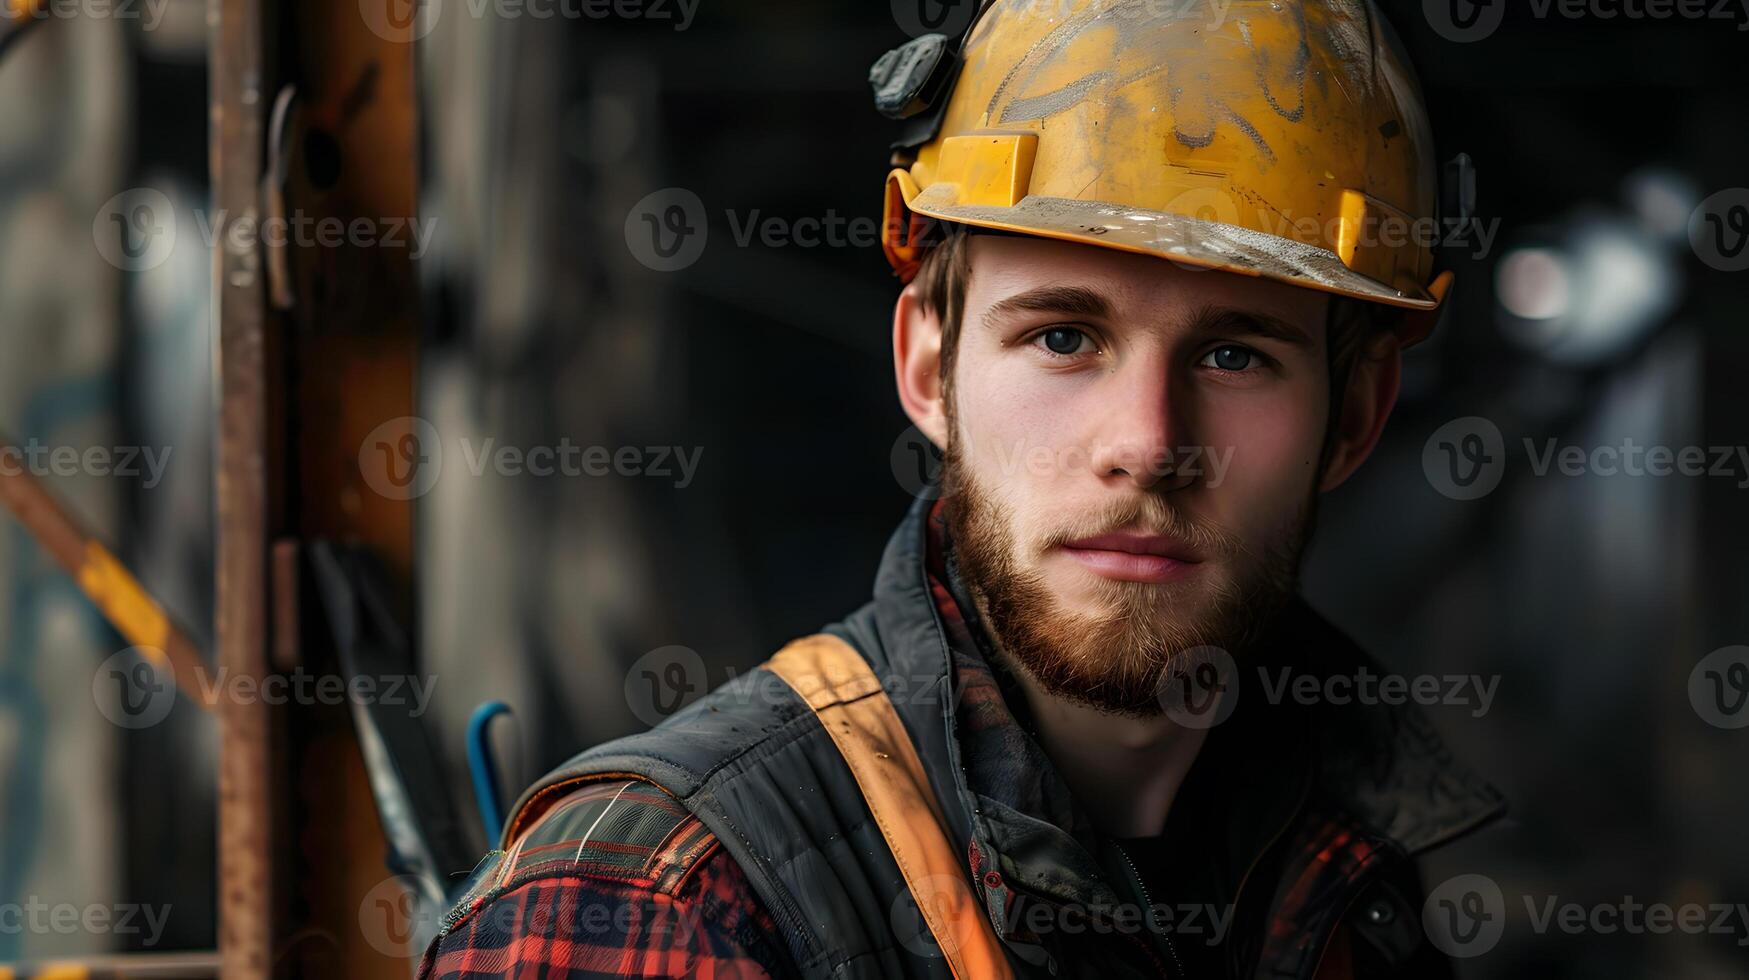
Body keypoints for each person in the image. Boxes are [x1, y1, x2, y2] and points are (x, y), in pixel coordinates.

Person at [420, 1, 1503, 976]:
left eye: (1235, 355)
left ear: (1353, 417)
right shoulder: (654, 898)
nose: (1147, 442)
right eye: (1065, 336)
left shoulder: (1345, 897)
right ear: (930, 370)